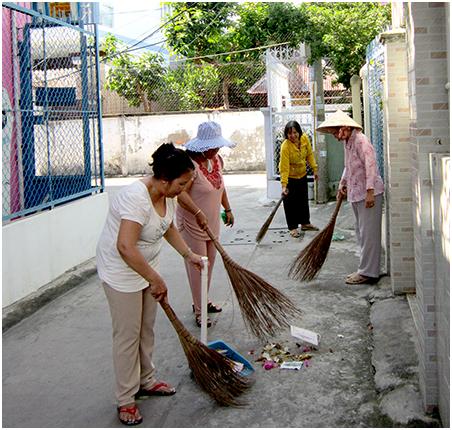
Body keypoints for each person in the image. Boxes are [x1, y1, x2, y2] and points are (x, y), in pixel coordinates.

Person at [96, 143, 204, 426]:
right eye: (182, 183)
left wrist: (188, 254)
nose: (184, 189)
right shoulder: (135, 198)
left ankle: (146, 380)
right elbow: (125, 246)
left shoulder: (168, 195)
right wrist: (155, 278)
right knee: (127, 335)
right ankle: (126, 399)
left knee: (146, 328)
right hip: (122, 271)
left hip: (147, 268)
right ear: (164, 179)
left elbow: (167, 226)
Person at [176, 121, 235, 328]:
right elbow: (180, 194)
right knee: (198, 266)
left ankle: (203, 301)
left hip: (211, 222)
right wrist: (197, 212)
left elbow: (220, 187)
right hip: (193, 223)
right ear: (203, 146)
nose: (218, 149)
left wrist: (227, 209)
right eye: (214, 146)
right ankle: (200, 311)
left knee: (208, 265)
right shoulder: (190, 166)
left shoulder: (217, 160)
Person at [316, 109, 384, 285]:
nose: (336, 137)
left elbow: (371, 166)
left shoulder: (361, 141)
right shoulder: (348, 143)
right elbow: (348, 166)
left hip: (369, 194)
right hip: (357, 194)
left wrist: (369, 191)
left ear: (345, 128)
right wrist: (342, 184)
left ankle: (368, 273)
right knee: (361, 233)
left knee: (369, 234)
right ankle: (367, 269)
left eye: (336, 132)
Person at [279, 120, 319, 238]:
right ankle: (292, 227)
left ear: (299, 132)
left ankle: (305, 223)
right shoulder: (285, 147)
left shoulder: (304, 139)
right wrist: (284, 185)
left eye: (295, 132)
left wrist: (314, 168)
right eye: (290, 133)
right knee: (290, 203)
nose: (293, 136)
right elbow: (284, 168)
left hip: (302, 175)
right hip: (290, 178)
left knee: (303, 200)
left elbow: (309, 155)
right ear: (286, 135)